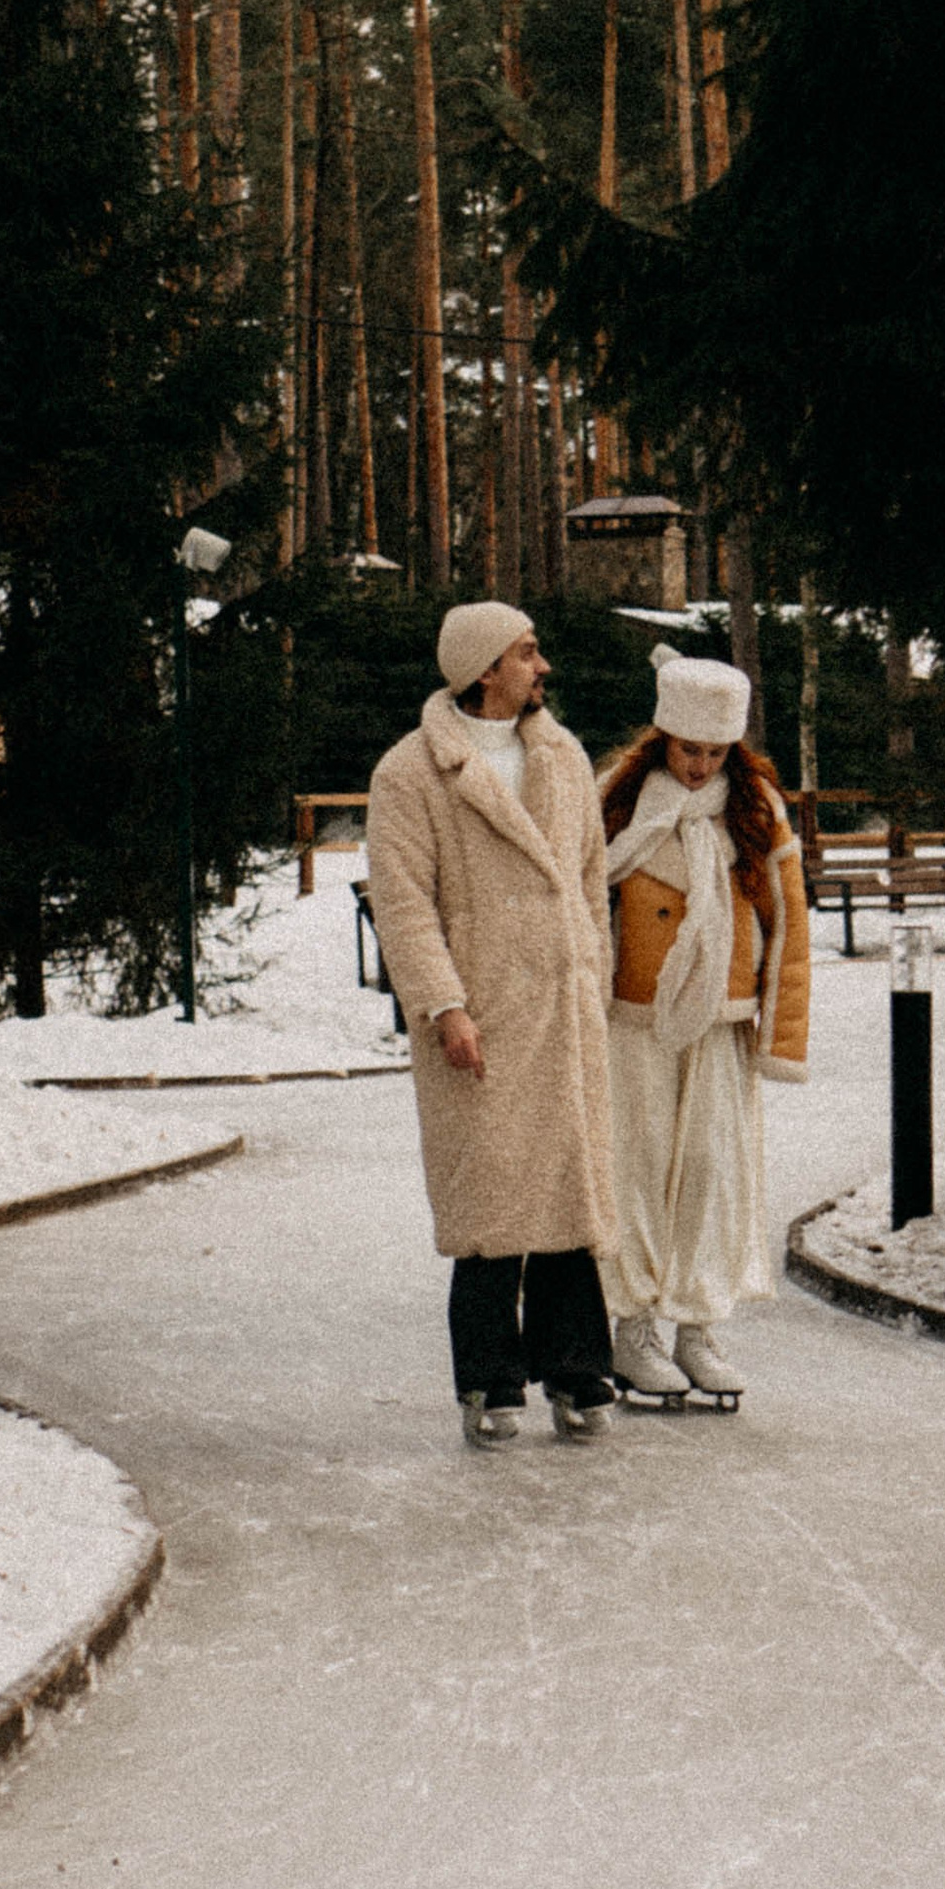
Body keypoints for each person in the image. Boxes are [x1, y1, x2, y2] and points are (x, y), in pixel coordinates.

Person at [366, 601, 621, 1451]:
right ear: (483, 669)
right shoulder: (412, 772)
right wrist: (444, 1005)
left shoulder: (563, 754)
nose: (541, 667)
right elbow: (403, 906)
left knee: (566, 1193)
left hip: (561, 1009)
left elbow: (588, 882)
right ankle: (488, 1378)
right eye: (526, 653)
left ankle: (581, 1371)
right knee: (490, 1201)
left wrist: (592, 973)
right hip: (478, 1018)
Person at [596, 645, 810, 1401]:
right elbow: (589, 907)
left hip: (721, 1020)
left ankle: (697, 1326)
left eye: (714, 751)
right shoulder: (619, 802)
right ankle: (634, 1328)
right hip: (635, 1019)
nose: (699, 765)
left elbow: (787, 925)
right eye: (689, 749)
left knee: (712, 1177)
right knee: (638, 1170)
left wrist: (780, 1036)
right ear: (664, 737)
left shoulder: (755, 809)